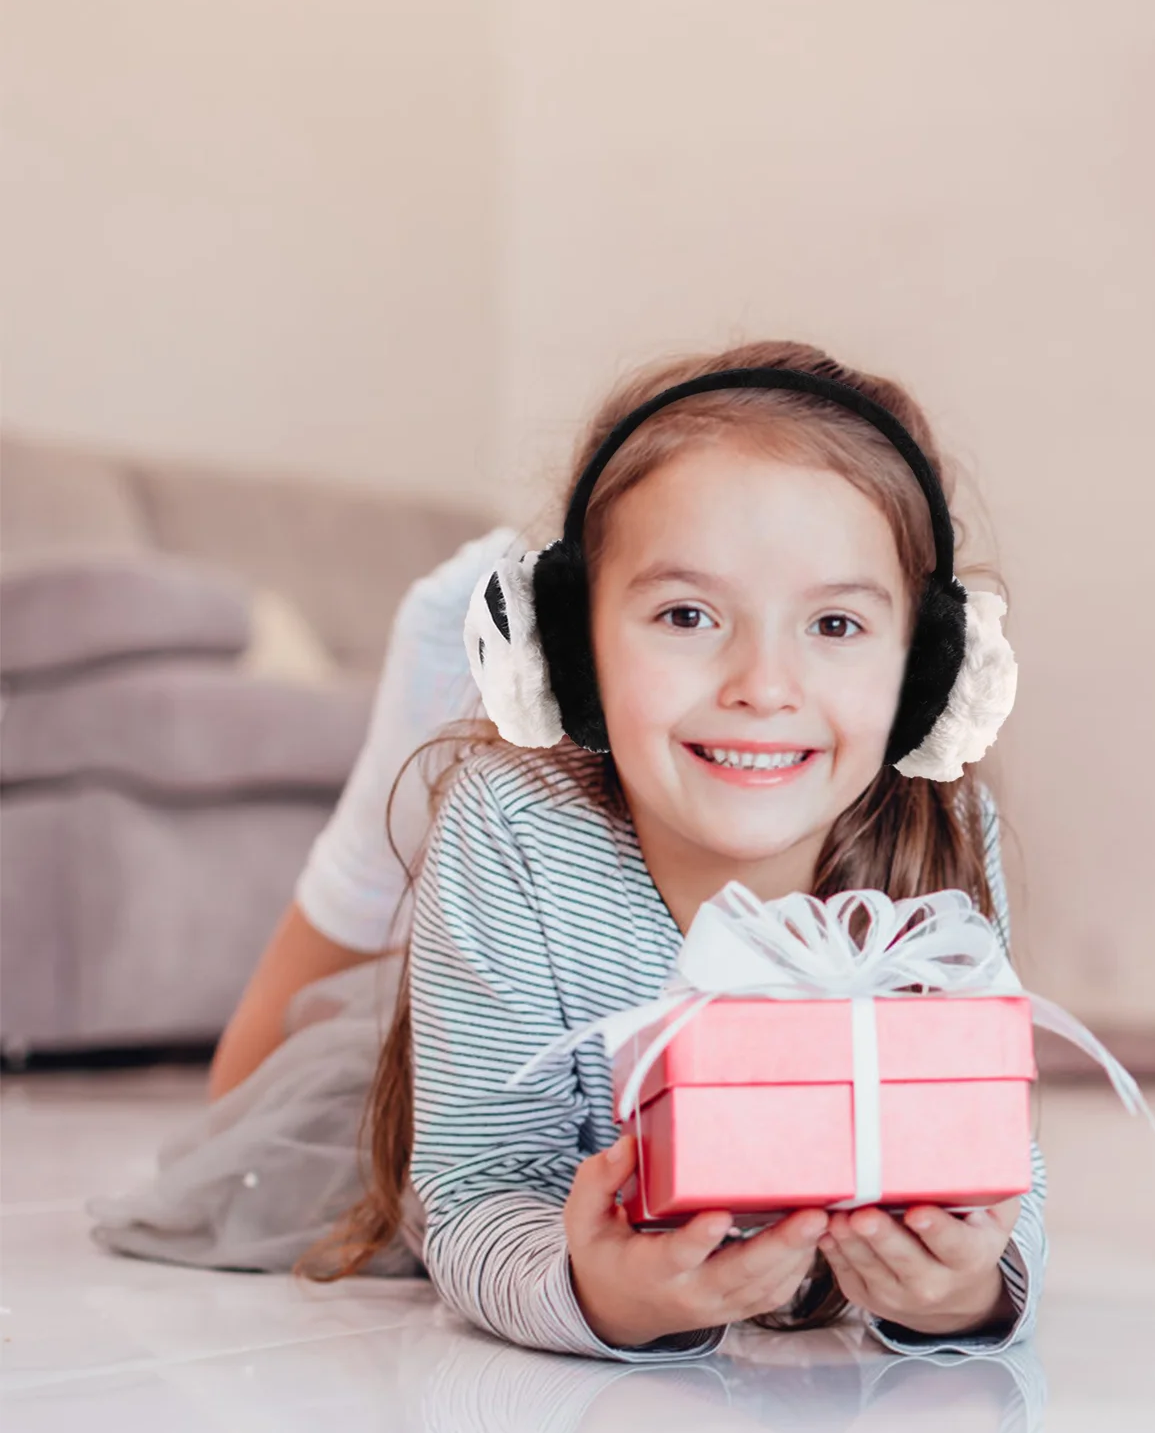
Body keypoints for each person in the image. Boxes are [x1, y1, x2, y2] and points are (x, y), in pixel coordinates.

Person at [94, 339, 1043, 1360]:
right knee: (255, 1116)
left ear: (929, 671)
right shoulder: (511, 825)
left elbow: (998, 1179)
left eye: (836, 624)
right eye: (687, 614)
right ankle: (386, 803)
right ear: (568, 650)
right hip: (448, 1052)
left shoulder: (942, 826)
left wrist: (961, 1294)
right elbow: (471, 1194)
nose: (763, 686)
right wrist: (599, 1297)